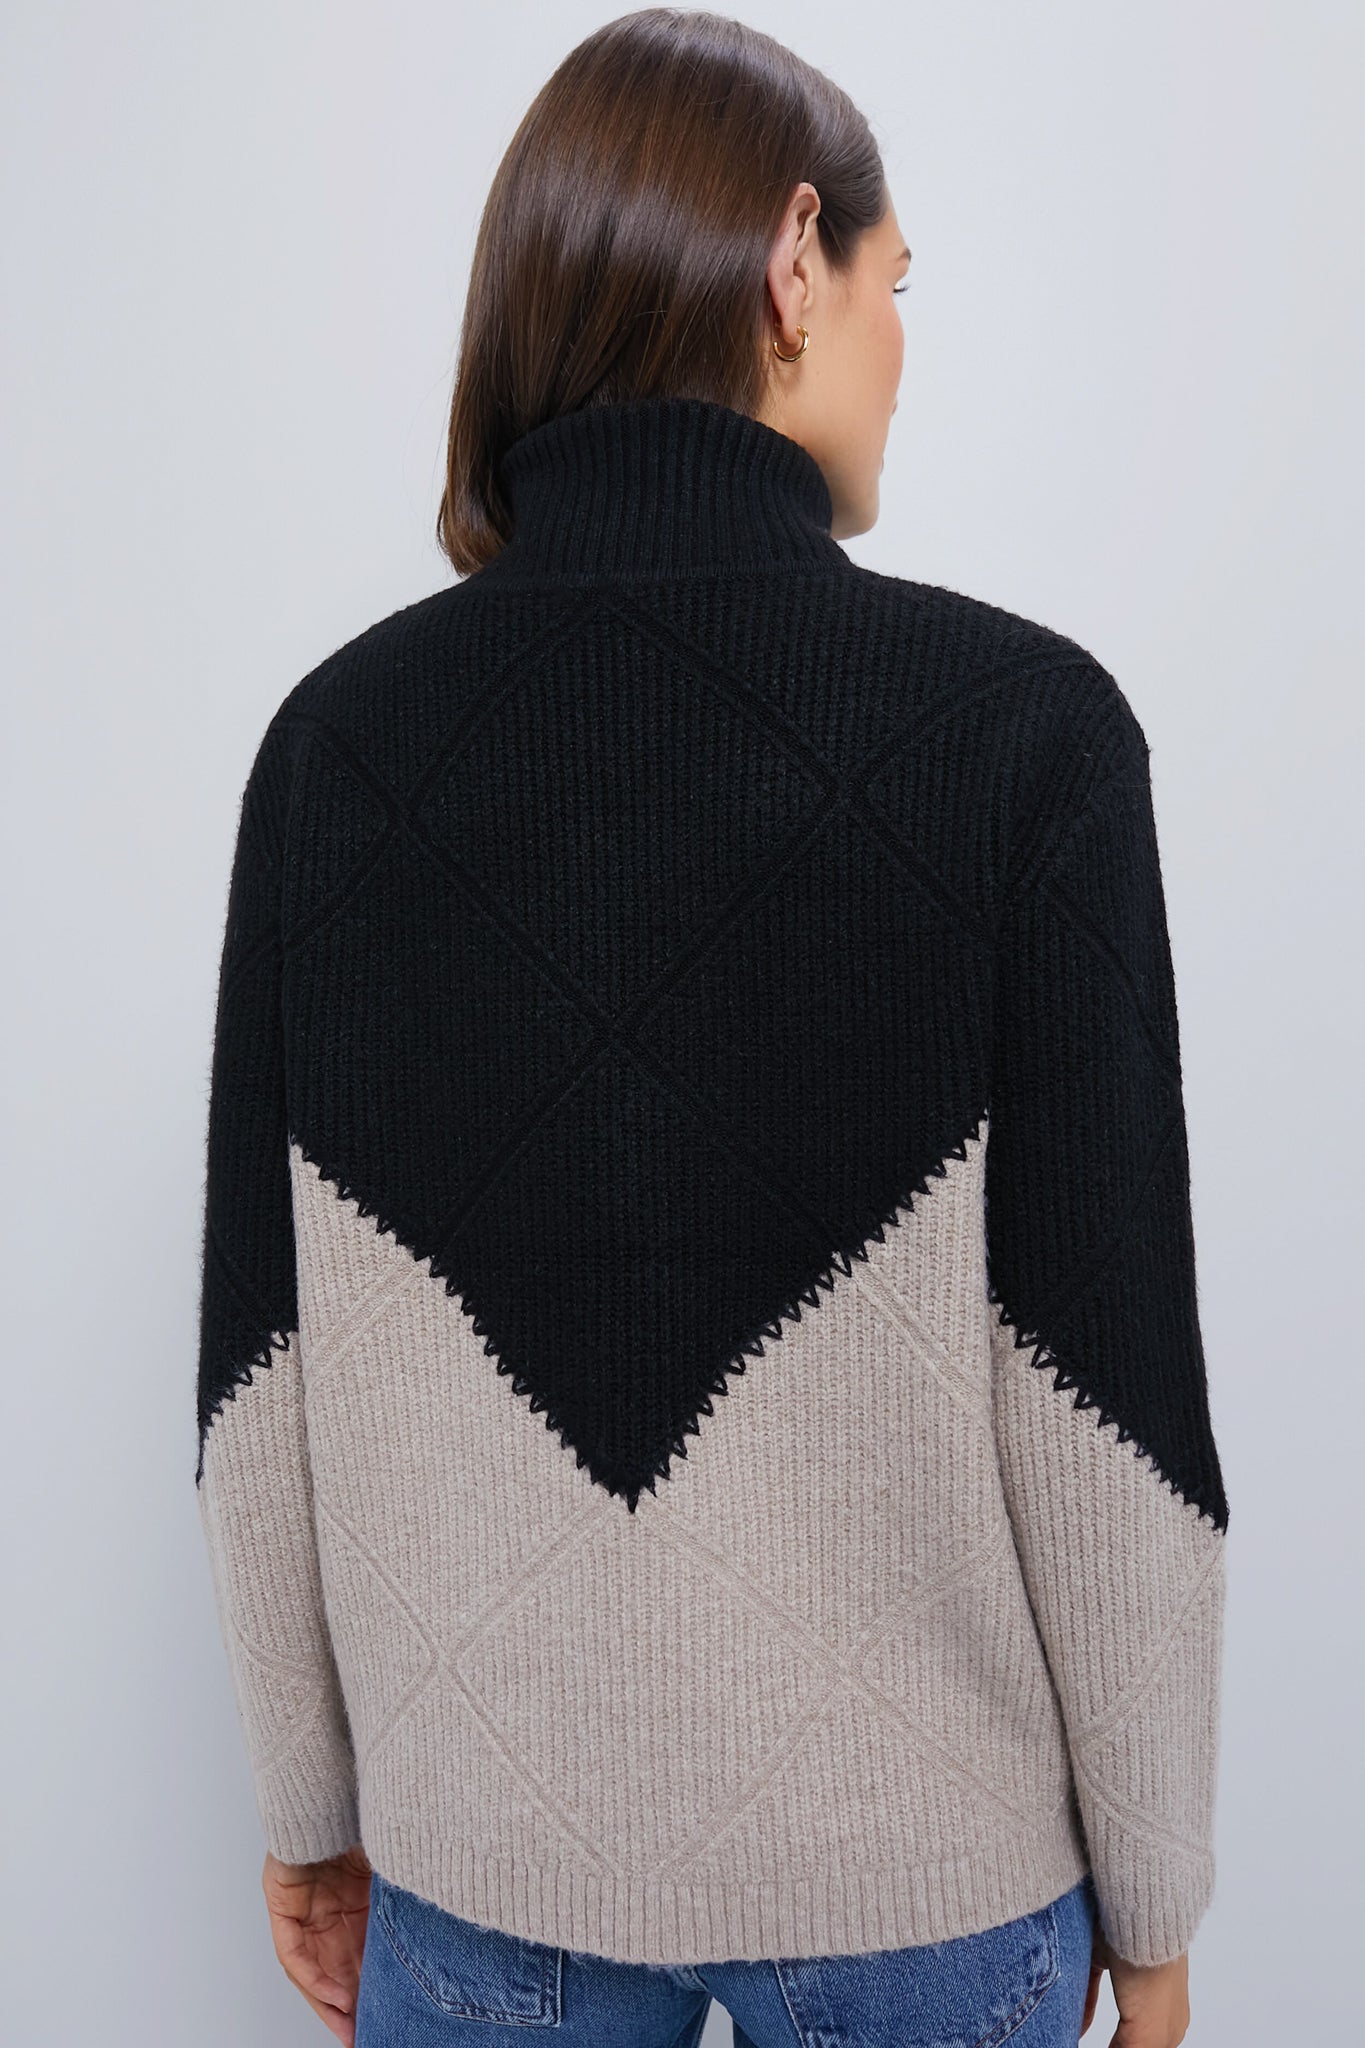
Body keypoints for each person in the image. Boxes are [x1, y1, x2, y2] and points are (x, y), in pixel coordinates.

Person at [194, 12, 1228, 2048]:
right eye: (895, 282)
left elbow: (261, 1376)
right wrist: (1156, 1892)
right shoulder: (1025, 738)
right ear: (788, 263)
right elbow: (1099, 1386)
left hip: (478, 1876)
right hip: (926, 1893)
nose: (901, 342)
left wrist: (309, 1810)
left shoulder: (332, 751)